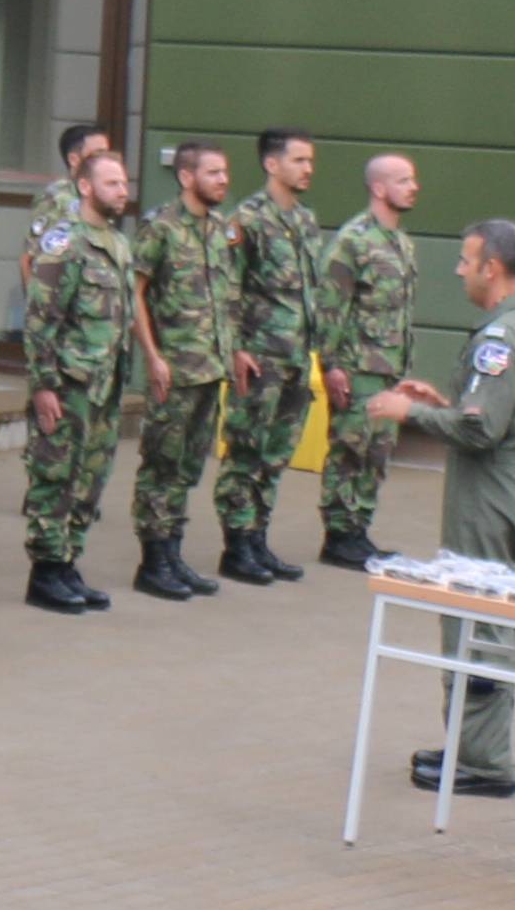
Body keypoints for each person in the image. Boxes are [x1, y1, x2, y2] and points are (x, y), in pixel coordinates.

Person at [364, 218, 515, 799]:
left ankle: (483, 763)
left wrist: (413, 415)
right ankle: (474, 747)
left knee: (478, 625)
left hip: (491, 497)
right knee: (487, 621)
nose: (458, 270)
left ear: (491, 269)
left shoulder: (499, 340)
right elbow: (500, 414)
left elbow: (482, 431)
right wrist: (448, 403)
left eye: (465, 259)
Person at [18, 143, 142, 611]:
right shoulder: (64, 242)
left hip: (104, 384)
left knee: (90, 477)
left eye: (124, 183)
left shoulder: (116, 242)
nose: (122, 191)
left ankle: (69, 561)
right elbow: (40, 319)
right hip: (68, 383)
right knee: (56, 476)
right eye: (112, 183)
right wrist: (44, 385)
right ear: (85, 186)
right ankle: (46, 571)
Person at [124, 140, 238, 604]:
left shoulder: (220, 230)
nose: (223, 180)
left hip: (210, 367)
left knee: (189, 466)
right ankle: (152, 561)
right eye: (213, 172)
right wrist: (152, 355)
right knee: (161, 465)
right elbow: (135, 293)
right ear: (187, 177)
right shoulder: (161, 227)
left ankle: (173, 552)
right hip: (175, 367)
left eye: (225, 172)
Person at [215, 129, 328, 585]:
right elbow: (229, 289)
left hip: (296, 358)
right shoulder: (247, 220)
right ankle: (236, 544)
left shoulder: (305, 221)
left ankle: (258, 537)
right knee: (245, 450)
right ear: (271, 164)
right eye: (299, 160)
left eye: (310, 161)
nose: (308, 169)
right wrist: (237, 349)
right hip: (259, 357)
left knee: (276, 453)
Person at [312, 154, 423, 570]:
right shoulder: (353, 241)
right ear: (379, 188)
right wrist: (332, 364)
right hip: (357, 367)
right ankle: (338, 535)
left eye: (413, 180)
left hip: (389, 368)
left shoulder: (401, 242)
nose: (414, 187)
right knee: (350, 449)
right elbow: (329, 307)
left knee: (378, 453)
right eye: (404, 180)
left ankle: (358, 530)